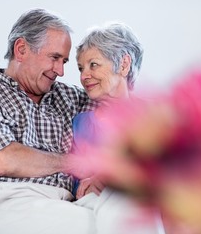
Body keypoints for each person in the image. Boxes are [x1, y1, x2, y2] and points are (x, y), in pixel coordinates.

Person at [0, 8, 97, 234]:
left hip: (68, 203)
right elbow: (1, 160)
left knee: (135, 213)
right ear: (22, 49)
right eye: (55, 58)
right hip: (5, 202)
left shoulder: (69, 97)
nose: (61, 71)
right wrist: (75, 162)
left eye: (64, 61)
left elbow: (122, 115)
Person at [70, 22, 166, 234]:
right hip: (103, 207)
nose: (84, 76)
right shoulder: (82, 123)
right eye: (80, 68)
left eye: (93, 65)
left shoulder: (156, 113)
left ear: (123, 65)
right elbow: (80, 183)